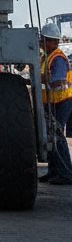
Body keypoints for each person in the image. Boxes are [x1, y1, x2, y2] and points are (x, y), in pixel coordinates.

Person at [39, 22, 72, 185]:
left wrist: (38, 78)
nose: (41, 43)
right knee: (50, 137)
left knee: (57, 136)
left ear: (53, 42)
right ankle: (54, 171)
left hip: (62, 102)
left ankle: (66, 174)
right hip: (52, 102)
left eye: (44, 40)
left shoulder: (57, 58)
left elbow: (57, 81)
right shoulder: (46, 56)